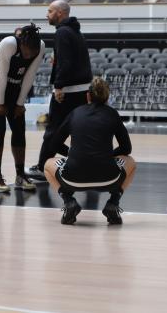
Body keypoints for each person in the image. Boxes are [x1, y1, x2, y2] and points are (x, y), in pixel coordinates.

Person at [43, 77, 137, 225]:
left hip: (72, 179)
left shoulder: (75, 113)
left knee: (48, 164)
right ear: (107, 97)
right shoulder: (112, 114)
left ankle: (68, 202)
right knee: (131, 163)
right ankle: (113, 202)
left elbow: (53, 145)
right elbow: (127, 149)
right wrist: (107, 155)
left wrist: (73, 155)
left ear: (88, 95)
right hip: (108, 179)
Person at [28, 0, 92, 180]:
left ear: (60, 13)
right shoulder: (75, 31)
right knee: (77, 132)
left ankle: (42, 168)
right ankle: (85, 163)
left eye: (50, 11)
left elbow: (67, 63)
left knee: (53, 132)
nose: (46, 14)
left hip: (68, 92)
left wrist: (58, 86)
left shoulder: (63, 32)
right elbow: (70, 60)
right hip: (81, 90)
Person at [0, 24, 44, 193]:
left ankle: (20, 176)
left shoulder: (40, 47)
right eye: (27, 51)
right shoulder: (8, 44)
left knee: (19, 129)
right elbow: (1, 76)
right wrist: (0, 103)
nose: (29, 55)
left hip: (14, 87)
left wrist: (20, 104)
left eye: (32, 52)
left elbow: (29, 77)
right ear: (21, 44)